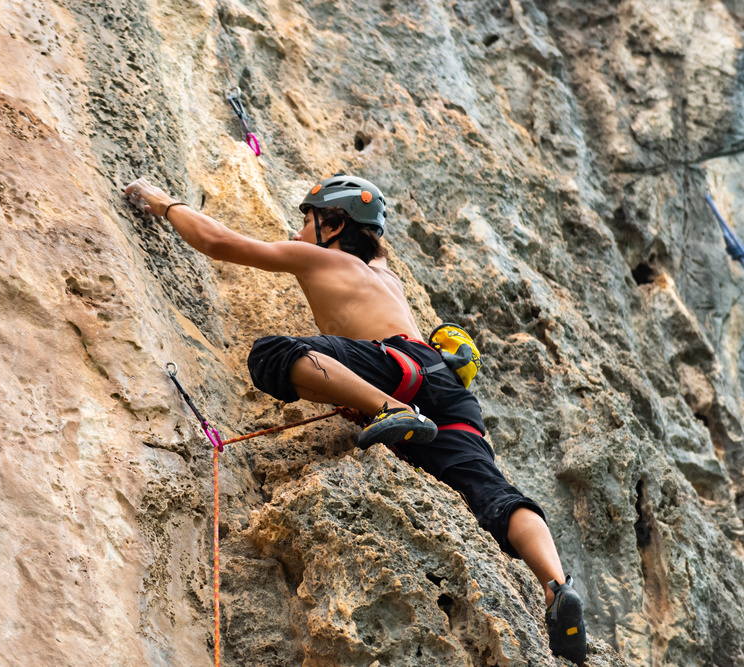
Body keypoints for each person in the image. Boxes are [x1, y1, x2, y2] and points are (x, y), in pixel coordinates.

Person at [124, 174, 587, 664]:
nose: (298, 229)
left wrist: (164, 202)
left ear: (333, 223)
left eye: (307, 218)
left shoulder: (318, 256)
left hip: (394, 370)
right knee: (494, 493)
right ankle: (556, 587)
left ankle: (387, 409)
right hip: (446, 385)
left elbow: (218, 242)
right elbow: (376, 242)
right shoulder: (386, 274)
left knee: (274, 354)